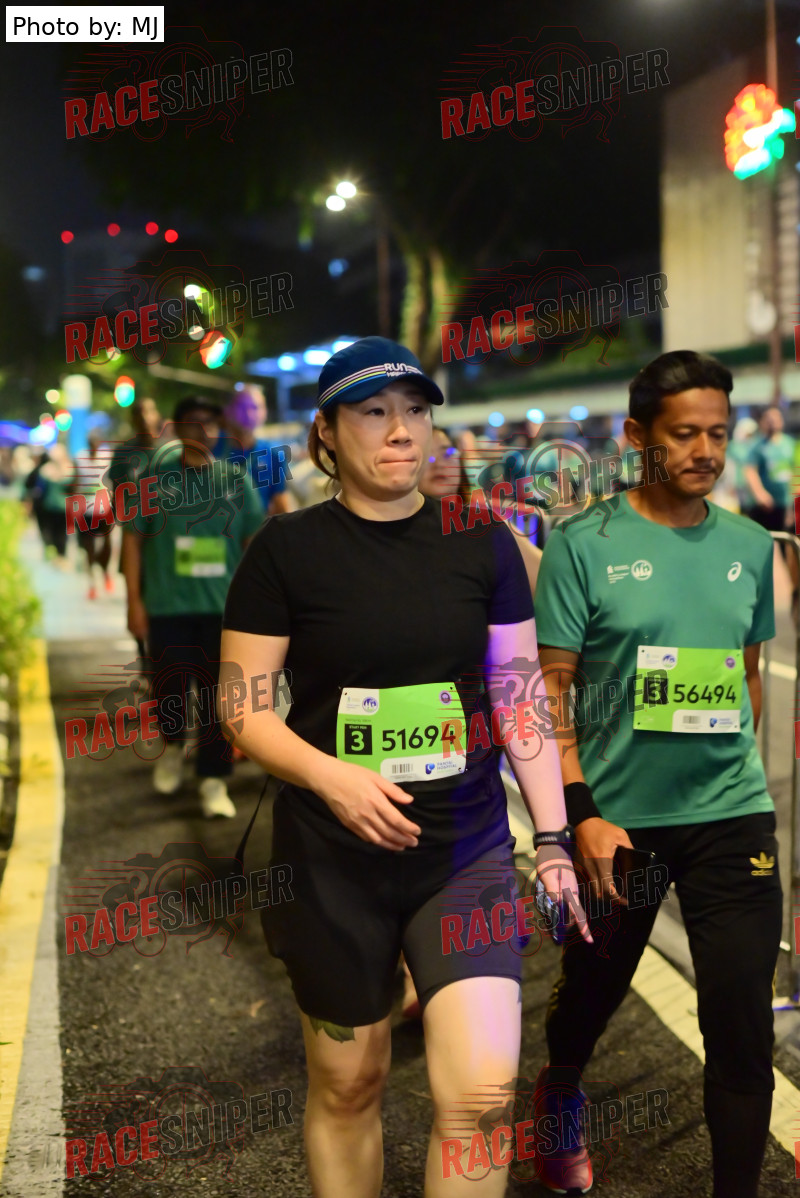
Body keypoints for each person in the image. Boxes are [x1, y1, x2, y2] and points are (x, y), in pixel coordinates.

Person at [220, 335, 589, 1197]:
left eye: (416, 410)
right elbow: (241, 706)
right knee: (350, 1085)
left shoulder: (482, 541)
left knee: (483, 1098)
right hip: (329, 863)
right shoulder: (285, 551)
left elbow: (519, 697)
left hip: (463, 851)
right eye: (375, 411)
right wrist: (331, 776)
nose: (401, 430)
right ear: (327, 430)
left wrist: (553, 836)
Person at [533, 350, 781, 1197]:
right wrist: (579, 813)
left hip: (731, 818)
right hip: (619, 824)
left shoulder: (751, 546)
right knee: (590, 995)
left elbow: (747, 678)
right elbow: (551, 695)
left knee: (742, 1026)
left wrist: (742, 784)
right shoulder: (583, 544)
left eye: (718, 432)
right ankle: (560, 1088)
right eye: (684, 434)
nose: (705, 451)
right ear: (638, 437)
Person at [122, 396, 264, 818]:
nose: (203, 429)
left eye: (210, 422)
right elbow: (132, 542)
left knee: (220, 700)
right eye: (193, 422)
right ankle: (172, 747)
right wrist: (134, 602)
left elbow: (253, 544)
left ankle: (213, 780)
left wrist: (258, 604)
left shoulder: (235, 480)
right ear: (178, 428)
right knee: (169, 691)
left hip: (222, 612)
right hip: (167, 607)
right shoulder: (153, 480)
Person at [743, 405, 799, 618]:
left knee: (792, 554)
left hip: (788, 509)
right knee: (759, 554)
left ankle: (795, 595)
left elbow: (797, 470)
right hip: (763, 509)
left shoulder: (790, 444)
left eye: (776, 418)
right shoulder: (757, 447)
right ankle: (755, 596)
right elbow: (750, 471)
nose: (773, 422)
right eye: (769, 418)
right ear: (763, 422)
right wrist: (759, 493)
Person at [220, 385, 294, 515]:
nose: (249, 413)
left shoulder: (273, 454)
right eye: (242, 407)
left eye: (255, 407)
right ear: (228, 411)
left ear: (265, 412)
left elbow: (281, 505)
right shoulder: (213, 448)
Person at [73, 430, 115, 599]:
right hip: (86, 507)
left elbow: (112, 479)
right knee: (88, 545)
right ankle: (92, 582)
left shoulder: (106, 457)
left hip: (104, 506)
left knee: (107, 543)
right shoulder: (80, 458)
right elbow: (76, 481)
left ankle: (105, 571)